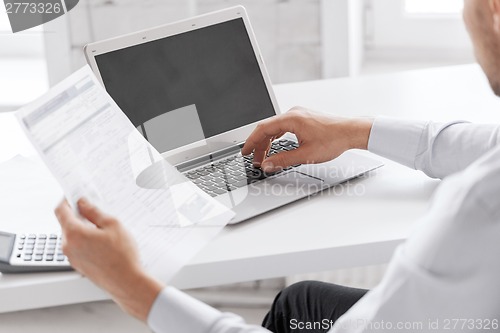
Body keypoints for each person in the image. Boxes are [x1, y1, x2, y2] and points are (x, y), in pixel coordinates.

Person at [55, 0, 500, 332]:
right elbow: (482, 145)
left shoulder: (477, 210)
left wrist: (135, 290)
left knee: (293, 312)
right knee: (301, 302)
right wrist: (354, 130)